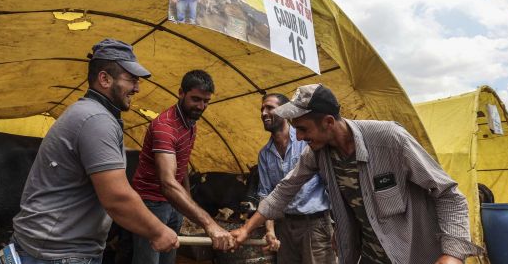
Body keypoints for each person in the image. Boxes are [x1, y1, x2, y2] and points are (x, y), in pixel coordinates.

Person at [232, 84, 483, 264]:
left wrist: (453, 253)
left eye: (303, 129)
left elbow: (449, 194)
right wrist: (245, 229)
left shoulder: (390, 140)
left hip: (410, 253)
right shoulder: (318, 153)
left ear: (329, 122)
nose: (299, 137)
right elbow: (283, 191)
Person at [11, 39, 179, 264]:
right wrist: (158, 231)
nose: (137, 88)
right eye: (131, 80)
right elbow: (117, 198)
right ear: (104, 79)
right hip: (57, 254)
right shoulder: (96, 120)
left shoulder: (89, 113)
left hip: (44, 247)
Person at [131, 70, 234, 264]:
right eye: (195, 99)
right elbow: (167, 183)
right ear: (181, 93)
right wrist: (210, 224)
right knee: (148, 260)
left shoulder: (191, 122)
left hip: (174, 204)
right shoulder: (165, 127)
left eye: (206, 101)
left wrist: (186, 200)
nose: (201, 106)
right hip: (151, 204)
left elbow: (182, 163)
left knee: (169, 258)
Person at [256, 93, 335, 264]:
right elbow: (265, 195)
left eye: (269, 107)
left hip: (314, 224)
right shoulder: (264, 155)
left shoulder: (308, 140)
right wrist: (270, 230)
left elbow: (332, 182)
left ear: (285, 112)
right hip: (284, 226)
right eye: (262, 109)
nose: (263, 113)